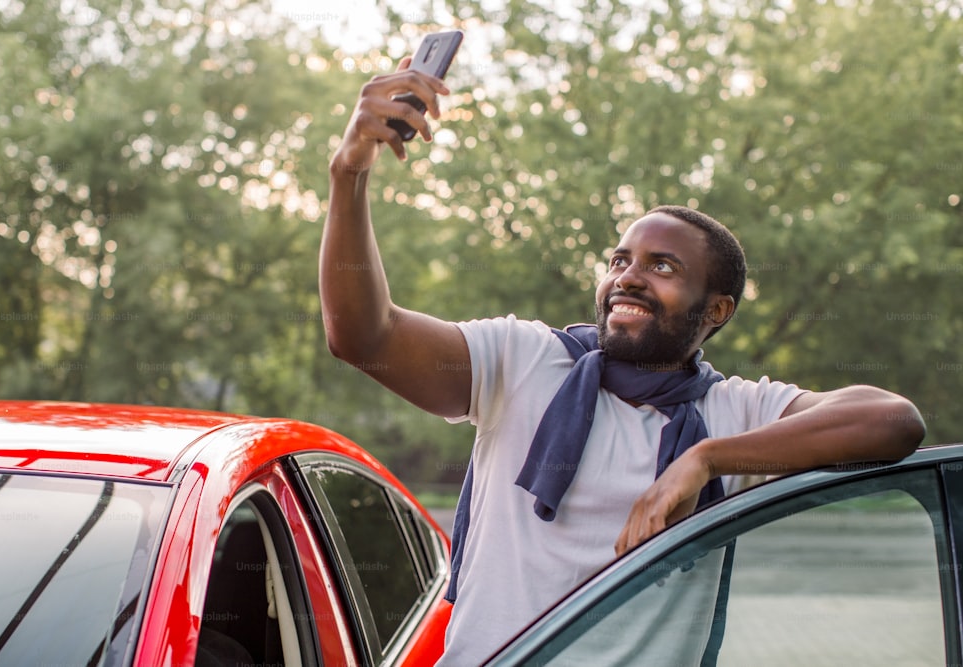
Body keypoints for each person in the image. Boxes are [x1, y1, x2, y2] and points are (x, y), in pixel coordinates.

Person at [319, 60, 927, 666]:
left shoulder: (736, 413)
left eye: (662, 267)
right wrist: (348, 173)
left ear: (716, 310)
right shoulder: (525, 360)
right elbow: (364, 338)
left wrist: (704, 459)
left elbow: (892, 420)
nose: (629, 278)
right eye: (619, 261)